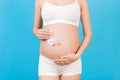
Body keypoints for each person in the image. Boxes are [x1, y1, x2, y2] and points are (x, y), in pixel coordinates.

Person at [33, 0, 92, 80]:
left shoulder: (81, 1)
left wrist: (77, 56)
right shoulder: (40, 1)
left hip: (72, 63)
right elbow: (36, 28)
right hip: (47, 63)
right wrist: (37, 32)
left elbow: (88, 35)